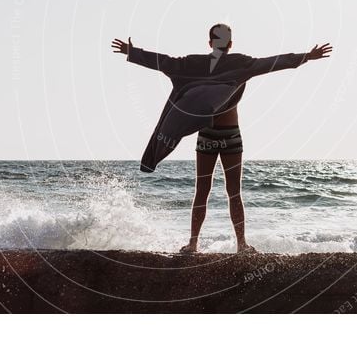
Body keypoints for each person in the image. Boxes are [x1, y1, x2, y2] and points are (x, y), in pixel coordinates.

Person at [112, 24, 331, 254]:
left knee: (203, 190)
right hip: (230, 135)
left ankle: (195, 244)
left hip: (208, 134)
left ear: (210, 43)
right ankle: (240, 244)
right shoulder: (240, 63)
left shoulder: (193, 64)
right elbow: (272, 63)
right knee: (233, 191)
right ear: (230, 43)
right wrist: (306, 56)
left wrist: (132, 52)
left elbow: (165, 62)